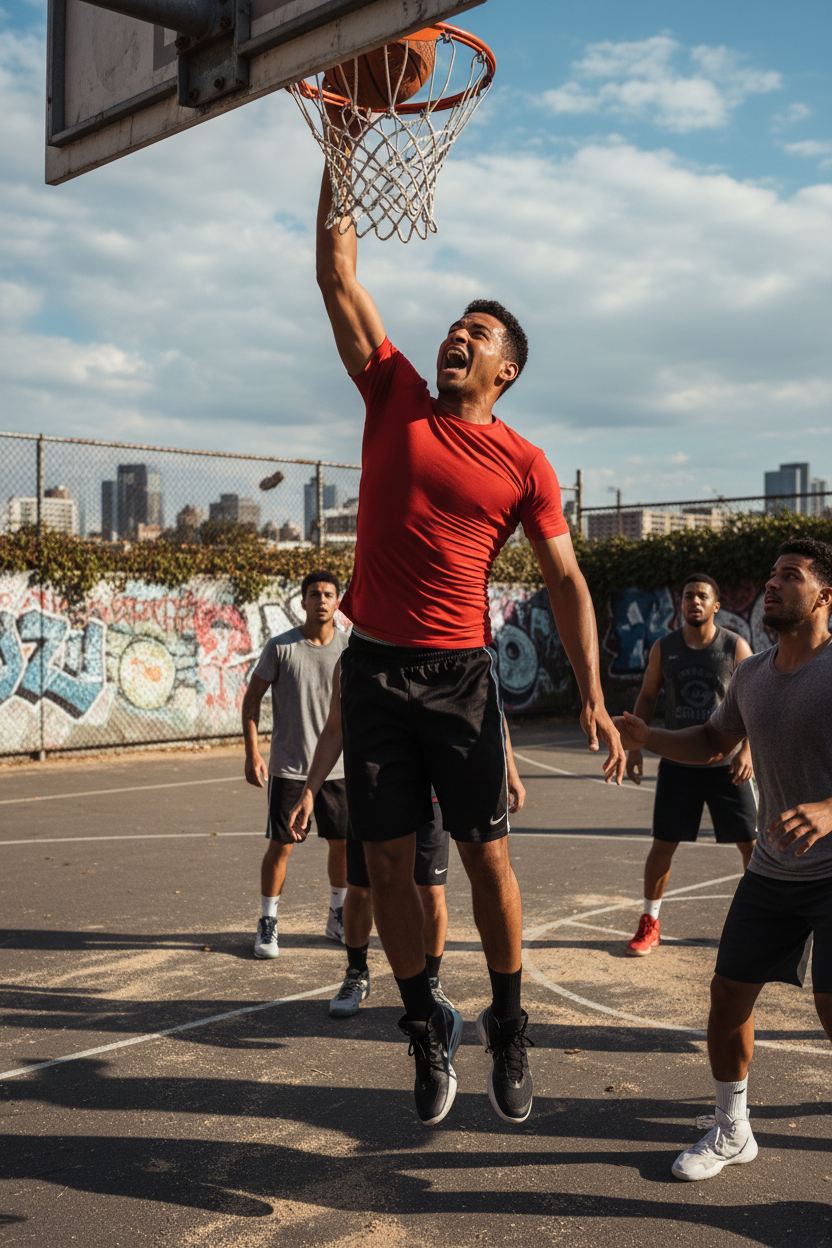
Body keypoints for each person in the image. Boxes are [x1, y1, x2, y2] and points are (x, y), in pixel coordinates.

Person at [313, 165, 625, 1127]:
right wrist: (341, 146)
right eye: (456, 325)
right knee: (387, 867)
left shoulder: (525, 463)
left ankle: (511, 1022)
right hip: (373, 669)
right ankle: (425, 1023)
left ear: (505, 371)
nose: (458, 334)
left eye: (477, 334)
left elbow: (566, 581)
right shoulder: (394, 393)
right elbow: (336, 273)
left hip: (460, 679)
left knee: (487, 860)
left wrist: (593, 694)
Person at [614, 538, 832, 1182]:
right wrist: (649, 737)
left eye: (790, 576)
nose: (773, 584)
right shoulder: (754, 673)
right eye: (771, 575)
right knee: (729, 994)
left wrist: (830, 809)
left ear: (825, 596)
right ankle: (733, 1129)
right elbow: (714, 739)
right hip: (773, 871)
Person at [288, 666, 526, 1018]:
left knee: (432, 891)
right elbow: (335, 728)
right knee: (362, 888)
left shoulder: (452, 652)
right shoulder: (356, 661)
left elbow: (489, 711)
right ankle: (356, 972)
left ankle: (431, 980)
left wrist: (511, 771)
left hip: (433, 796)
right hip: (378, 789)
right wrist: (309, 791)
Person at [625, 573, 756, 956]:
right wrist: (635, 747)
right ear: (680, 603)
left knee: (752, 846)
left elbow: (756, 702)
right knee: (663, 844)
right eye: (687, 596)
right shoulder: (664, 648)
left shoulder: (735, 646)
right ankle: (650, 922)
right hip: (678, 763)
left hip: (727, 765)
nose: (694, 601)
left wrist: (748, 750)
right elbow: (647, 697)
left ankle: (760, 923)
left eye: (701, 596)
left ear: (716, 605)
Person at [242, 570, 350, 958]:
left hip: (338, 769)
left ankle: (337, 915)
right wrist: (252, 753)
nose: (321, 600)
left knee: (342, 844)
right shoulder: (281, 647)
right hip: (290, 767)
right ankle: (268, 921)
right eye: (314, 594)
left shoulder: (349, 649)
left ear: (337, 602)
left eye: (328, 594)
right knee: (281, 846)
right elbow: (251, 701)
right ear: (302, 602)